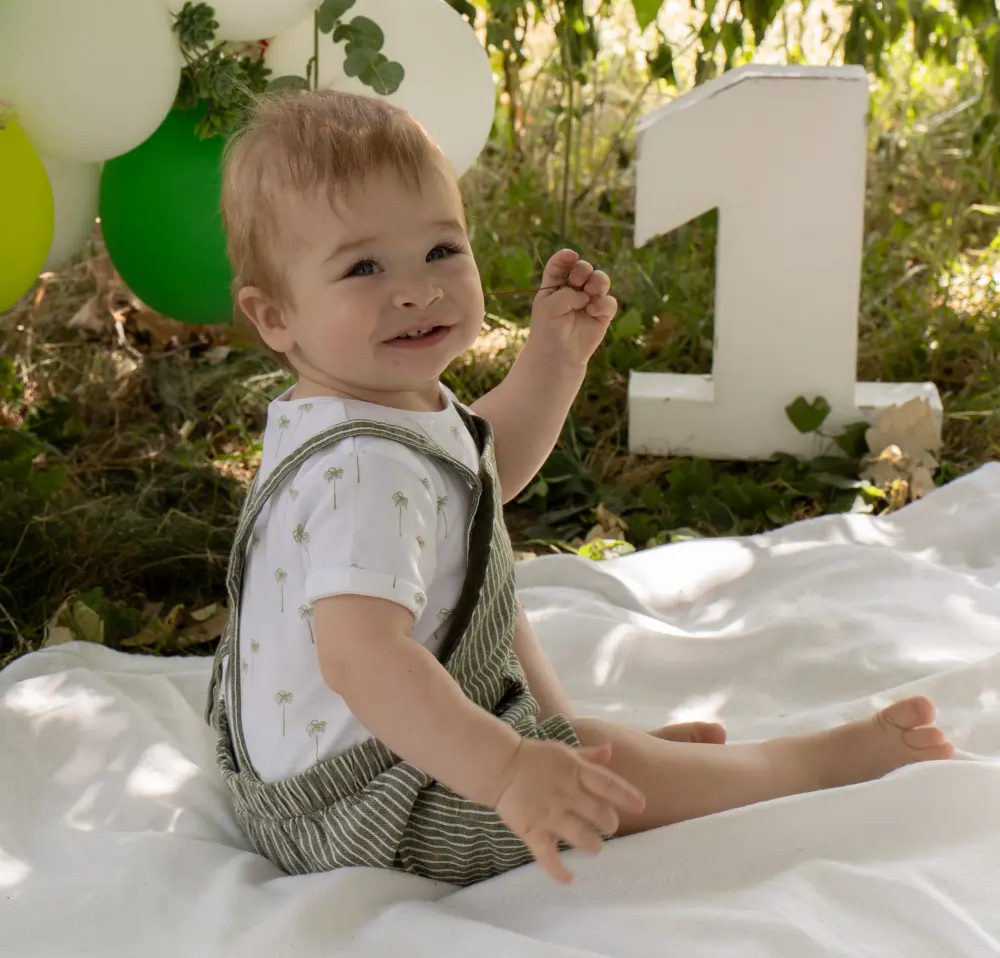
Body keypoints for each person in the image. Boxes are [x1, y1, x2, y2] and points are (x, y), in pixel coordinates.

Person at [205, 89, 954, 888]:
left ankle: (582, 746)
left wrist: (552, 361)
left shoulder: (359, 406)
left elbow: (475, 482)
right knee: (602, 779)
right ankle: (792, 769)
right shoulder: (363, 469)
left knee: (490, 571)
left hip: (338, 760)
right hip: (363, 809)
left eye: (441, 251)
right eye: (363, 267)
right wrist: (506, 773)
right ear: (275, 316)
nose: (418, 289)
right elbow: (363, 660)